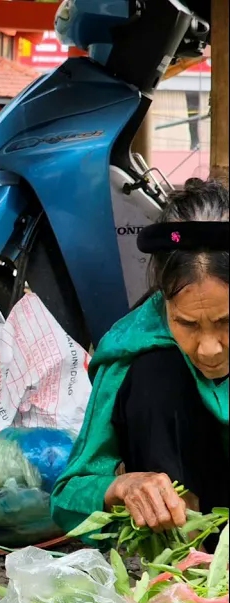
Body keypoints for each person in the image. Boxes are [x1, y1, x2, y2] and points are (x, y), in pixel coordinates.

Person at [51, 178, 228, 533]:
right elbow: (67, 499)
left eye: (227, 322)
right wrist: (121, 486)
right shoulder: (133, 346)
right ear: (164, 300)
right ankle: (187, 550)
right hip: (195, 545)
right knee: (154, 373)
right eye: (187, 323)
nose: (209, 348)